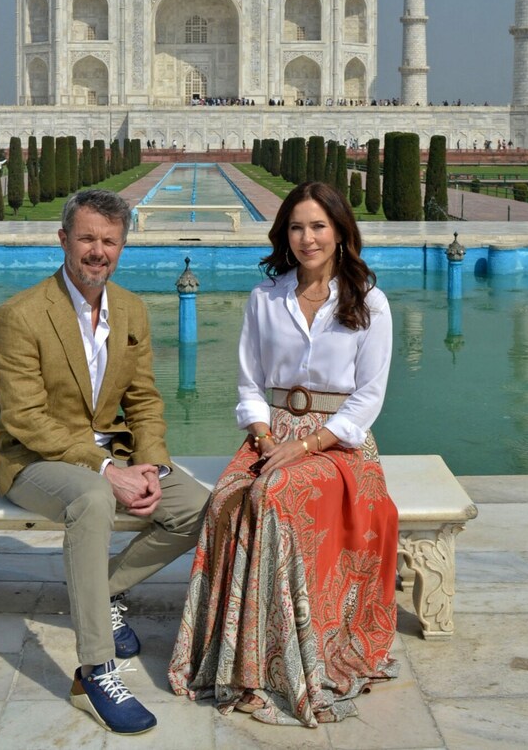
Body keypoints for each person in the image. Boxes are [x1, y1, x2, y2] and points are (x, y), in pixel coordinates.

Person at [0, 189, 210, 735]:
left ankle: (100, 589)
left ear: (122, 247)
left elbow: (146, 400)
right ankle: (95, 671)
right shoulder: (21, 315)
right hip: (35, 458)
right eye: (87, 238)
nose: (97, 251)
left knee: (204, 507)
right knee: (92, 496)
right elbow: (24, 418)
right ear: (63, 240)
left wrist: (149, 464)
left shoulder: (130, 309)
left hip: (116, 452)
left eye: (109, 241)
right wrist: (107, 470)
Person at [169, 181, 399, 727]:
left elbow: (369, 397)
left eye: (319, 226)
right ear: (284, 234)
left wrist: (306, 444)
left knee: (273, 492)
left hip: (340, 443)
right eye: (297, 227)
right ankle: (235, 653)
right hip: (271, 433)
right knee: (228, 496)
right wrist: (267, 436)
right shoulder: (265, 298)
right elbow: (249, 383)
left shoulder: (368, 301)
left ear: (341, 231)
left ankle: (286, 656)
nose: (307, 237)